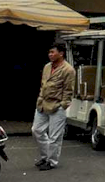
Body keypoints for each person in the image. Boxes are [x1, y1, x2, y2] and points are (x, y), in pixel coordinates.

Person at [32, 43, 75, 171]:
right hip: (43, 103)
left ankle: (51, 161)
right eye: (49, 52)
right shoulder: (47, 67)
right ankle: (45, 156)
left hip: (57, 105)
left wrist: (63, 105)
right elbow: (43, 85)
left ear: (61, 53)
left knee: (55, 136)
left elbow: (68, 90)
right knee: (37, 130)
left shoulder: (68, 70)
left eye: (53, 52)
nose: (50, 54)